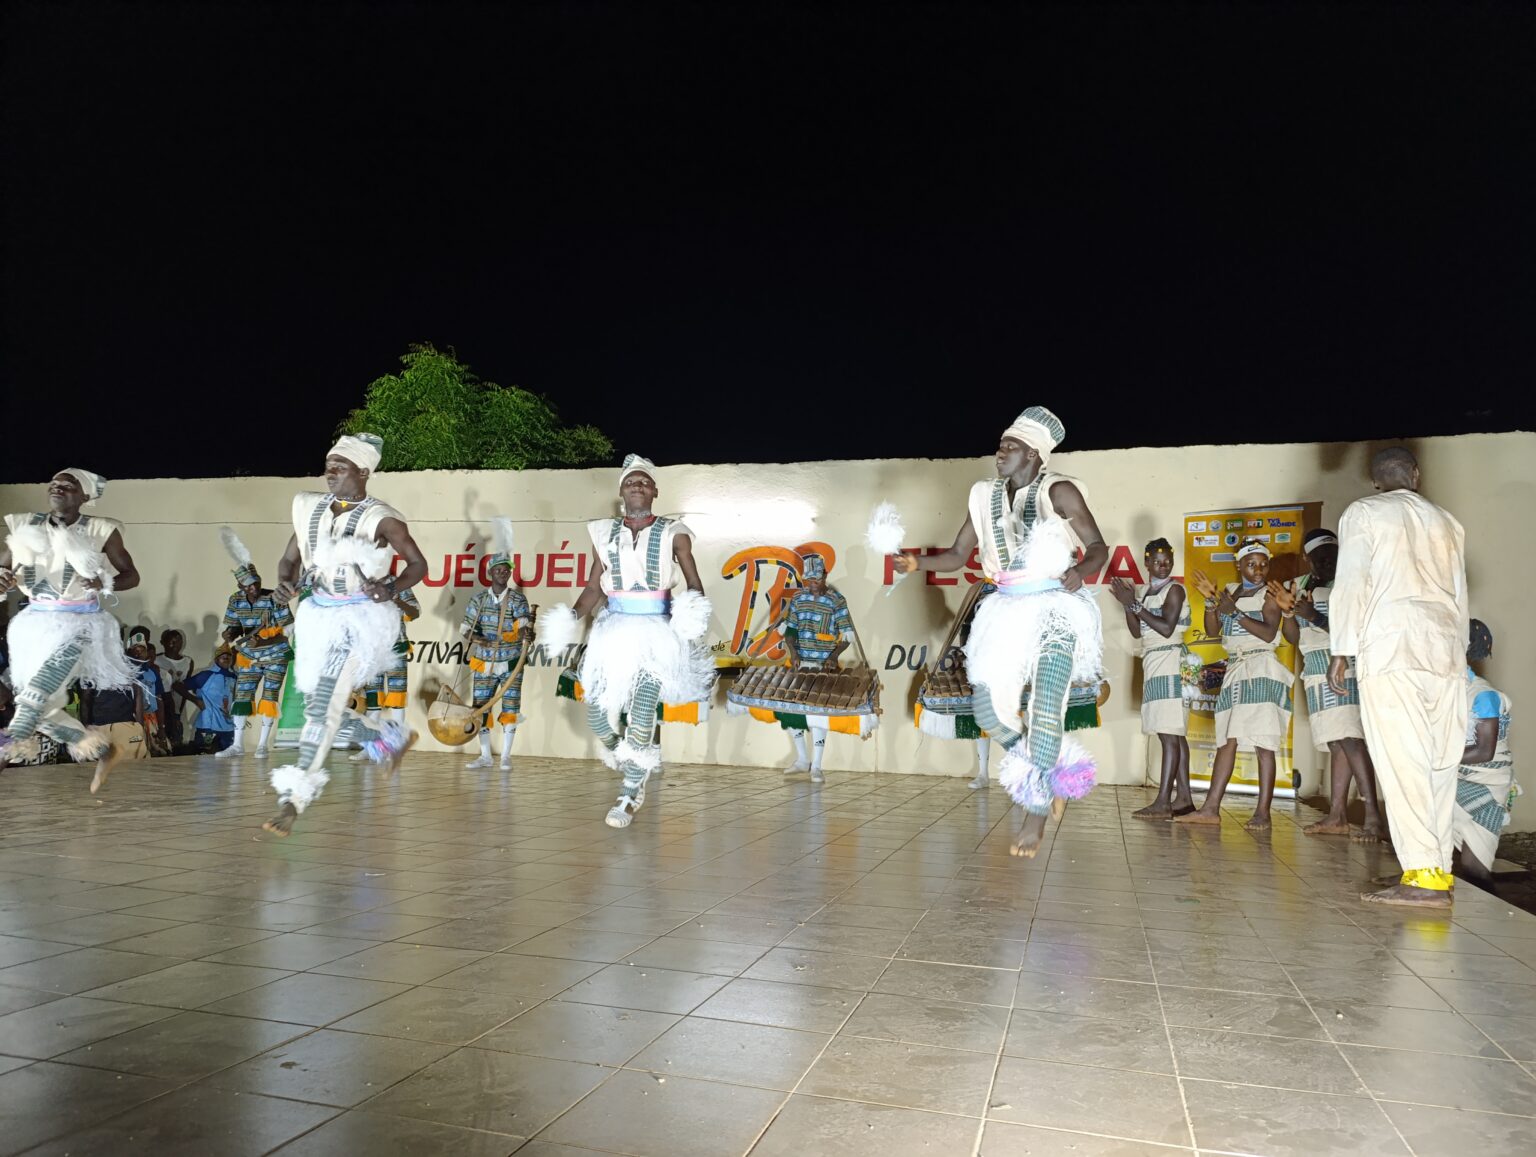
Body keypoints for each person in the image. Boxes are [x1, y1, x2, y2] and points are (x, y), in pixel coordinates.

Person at [892, 406, 1109, 857]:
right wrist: (917, 563)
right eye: (1000, 445)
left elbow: (1097, 548)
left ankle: (1037, 808)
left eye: (1010, 446)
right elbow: (956, 555)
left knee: (1048, 702)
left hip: (1055, 608)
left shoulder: (1060, 491)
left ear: (1033, 453)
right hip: (1005, 609)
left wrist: (1081, 573)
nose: (1000, 451)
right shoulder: (982, 496)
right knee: (987, 713)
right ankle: (1052, 772)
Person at [261, 433, 427, 837]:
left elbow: (418, 565)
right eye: (328, 464)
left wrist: (389, 588)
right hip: (318, 617)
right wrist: (286, 584)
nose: (329, 472)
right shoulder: (308, 509)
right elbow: (289, 560)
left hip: (360, 620)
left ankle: (294, 798)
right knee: (325, 704)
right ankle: (388, 735)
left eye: (340, 466)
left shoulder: (382, 518)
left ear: (364, 471)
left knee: (321, 708)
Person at [538, 454, 714, 829]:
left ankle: (631, 791)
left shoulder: (673, 531)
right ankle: (632, 755)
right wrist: (570, 617)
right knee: (599, 717)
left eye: (644, 481)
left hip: (656, 633)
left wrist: (690, 614)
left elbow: (695, 585)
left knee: (642, 711)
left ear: (655, 490)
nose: (637, 485)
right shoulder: (603, 533)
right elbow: (592, 588)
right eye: (631, 481)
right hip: (613, 631)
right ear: (621, 489)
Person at [1329, 446, 1469, 908]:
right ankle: (1438, 870)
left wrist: (1341, 649)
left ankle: (1424, 877)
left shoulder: (1365, 512)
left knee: (1402, 760)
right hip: (1446, 647)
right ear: (1417, 475)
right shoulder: (1447, 520)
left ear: (1374, 481)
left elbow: (1351, 582)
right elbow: (1460, 596)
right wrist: (1460, 653)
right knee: (1440, 761)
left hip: (1391, 644)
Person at [0, 468, 141, 792]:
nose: (57, 488)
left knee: (34, 696)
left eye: (68, 485)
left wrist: (104, 581)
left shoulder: (101, 529)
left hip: (80, 625)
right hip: (33, 626)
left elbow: (131, 575)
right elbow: (3, 568)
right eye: (53, 484)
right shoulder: (24, 525)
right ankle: (103, 749)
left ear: (85, 496)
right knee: (42, 707)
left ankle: (5, 751)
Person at [1177, 541, 1293, 832]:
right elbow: (1214, 631)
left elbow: (1269, 634)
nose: (1258, 570)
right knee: (1226, 738)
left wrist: (1235, 612)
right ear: (1238, 565)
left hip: (1261, 668)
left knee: (1263, 742)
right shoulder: (1230, 591)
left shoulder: (1270, 594)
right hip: (1235, 670)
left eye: (1263, 564)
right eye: (1251, 564)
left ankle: (1263, 813)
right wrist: (1212, 602)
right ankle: (1211, 809)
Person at [1276, 528, 1383, 841]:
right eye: (1320, 556)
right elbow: (1292, 637)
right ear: (1308, 558)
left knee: (1351, 739)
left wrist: (1316, 616)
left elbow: (1358, 632)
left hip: (1343, 667)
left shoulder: (1350, 585)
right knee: (1337, 742)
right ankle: (1337, 815)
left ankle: (1372, 816)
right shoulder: (1299, 585)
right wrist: (1290, 614)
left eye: (1332, 555)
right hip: (1315, 668)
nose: (1326, 561)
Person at [1109, 538, 1195, 819]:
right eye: (1157, 561)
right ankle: (1183, 798)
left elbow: (1167, 628)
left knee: (1170, 733)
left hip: (1170, 660)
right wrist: (1127, 605)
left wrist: (1133, 605)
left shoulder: (1175, 590)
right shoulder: (1146, 592)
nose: (1163, 565)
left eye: (1168, 560)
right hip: (1155, 661)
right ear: (1146, 563)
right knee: (1173, 734)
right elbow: (1138, 632)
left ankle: (1163, 802)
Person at [776, 553, 864, 782]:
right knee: (791, 711)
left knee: (817, 714)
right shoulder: (798, 598)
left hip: (824, 667)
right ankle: (802, 759)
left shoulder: (837, 601)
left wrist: (834, 656)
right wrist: (793, 653)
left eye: (816, 580)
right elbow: (791, 630)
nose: (813, 585)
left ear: (825, 575)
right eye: (809, 581)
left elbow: (846, 635)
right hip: (800, 664)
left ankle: (817, 765)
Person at [216, 529, 295, 760]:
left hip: (275, 656)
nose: (254, 588)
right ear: (241, 586)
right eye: (249, 586)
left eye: (256, 583)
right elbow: (232, 627)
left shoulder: (274, 598)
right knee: (242, 696)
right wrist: (231, 635)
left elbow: (286, 632)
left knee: (270, 696)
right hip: (248, 656)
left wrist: (264, 640)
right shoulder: (235, 600)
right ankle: (237, 745)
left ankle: (262, 745)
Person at [459, 520, 531, 770]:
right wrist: (480, 640)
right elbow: (466, 630)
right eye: (498, 569)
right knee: (481, 707)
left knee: (510, 705)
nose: (503, 572)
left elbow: (522, 625)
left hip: (511, 660)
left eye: (506, 570)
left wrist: (525, 634)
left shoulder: (518, 599)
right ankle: (485, 755)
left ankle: (506, 756)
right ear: (490, 573)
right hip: (483, 661)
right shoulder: (478, 599)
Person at [1453, 619, 1516, 883]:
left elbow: (1484, 752)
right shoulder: (1451, 689)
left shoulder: (1483, 695)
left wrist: (1436, 761)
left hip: (1485, 784)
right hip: (1457, 777)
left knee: (1474, 872)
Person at [178, 646, 238, 753]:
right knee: (205, 760)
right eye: (223, 657)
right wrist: (196, 700)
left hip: (228, 727)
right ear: (216, 659)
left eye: (229, 657)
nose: (226, 659)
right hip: (208, 726)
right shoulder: (206, 675)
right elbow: (178, 686)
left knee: (227, 762)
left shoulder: (234, 677)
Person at [155, 629, 193, 749]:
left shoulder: (188, 662)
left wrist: (179, 713)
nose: (175, 645)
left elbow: (184, 690)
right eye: (171, 642)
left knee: (176, 744)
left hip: (176, 711)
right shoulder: (156, 660)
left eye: (178, 642)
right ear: (163, 643)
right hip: (159, 711)